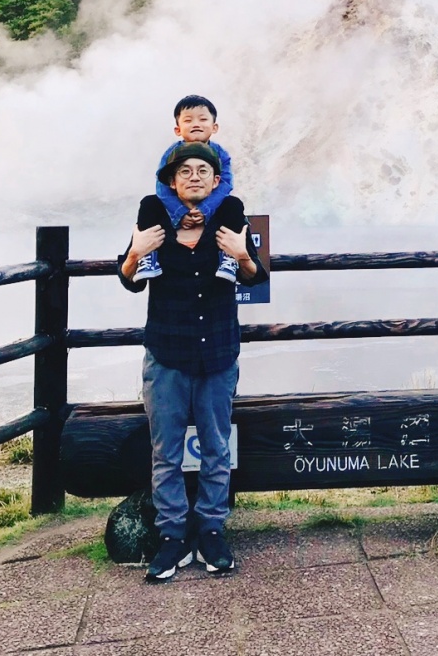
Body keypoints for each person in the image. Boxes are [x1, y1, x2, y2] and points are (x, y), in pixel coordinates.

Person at [119, 141, 267, 582]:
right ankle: (171, 536)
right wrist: (135, 252)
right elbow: (129, 280)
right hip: (166, 353)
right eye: (185, 171)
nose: (195, 176)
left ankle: (211, 530)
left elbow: (255, 276)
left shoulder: (229, 221)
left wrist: (242, 254)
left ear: (216, 180)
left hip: (218, 353)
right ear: (172, 181)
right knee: (165, 450)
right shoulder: (154, 221)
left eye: (203, 170)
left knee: (216, 447)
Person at [132, 95, 237, 283]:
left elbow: (225, 184)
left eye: (203, 119)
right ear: (178, 129)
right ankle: (148, 258)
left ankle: (229, 258)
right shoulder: (171, 154)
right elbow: (162, 186)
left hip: (212, 207)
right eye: (188, 120)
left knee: (232, 205)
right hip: (176, 208)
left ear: (214, 127)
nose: (196, 124)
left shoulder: (221, 155)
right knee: (150, 204)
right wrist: (180, 213)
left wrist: (205, 209)